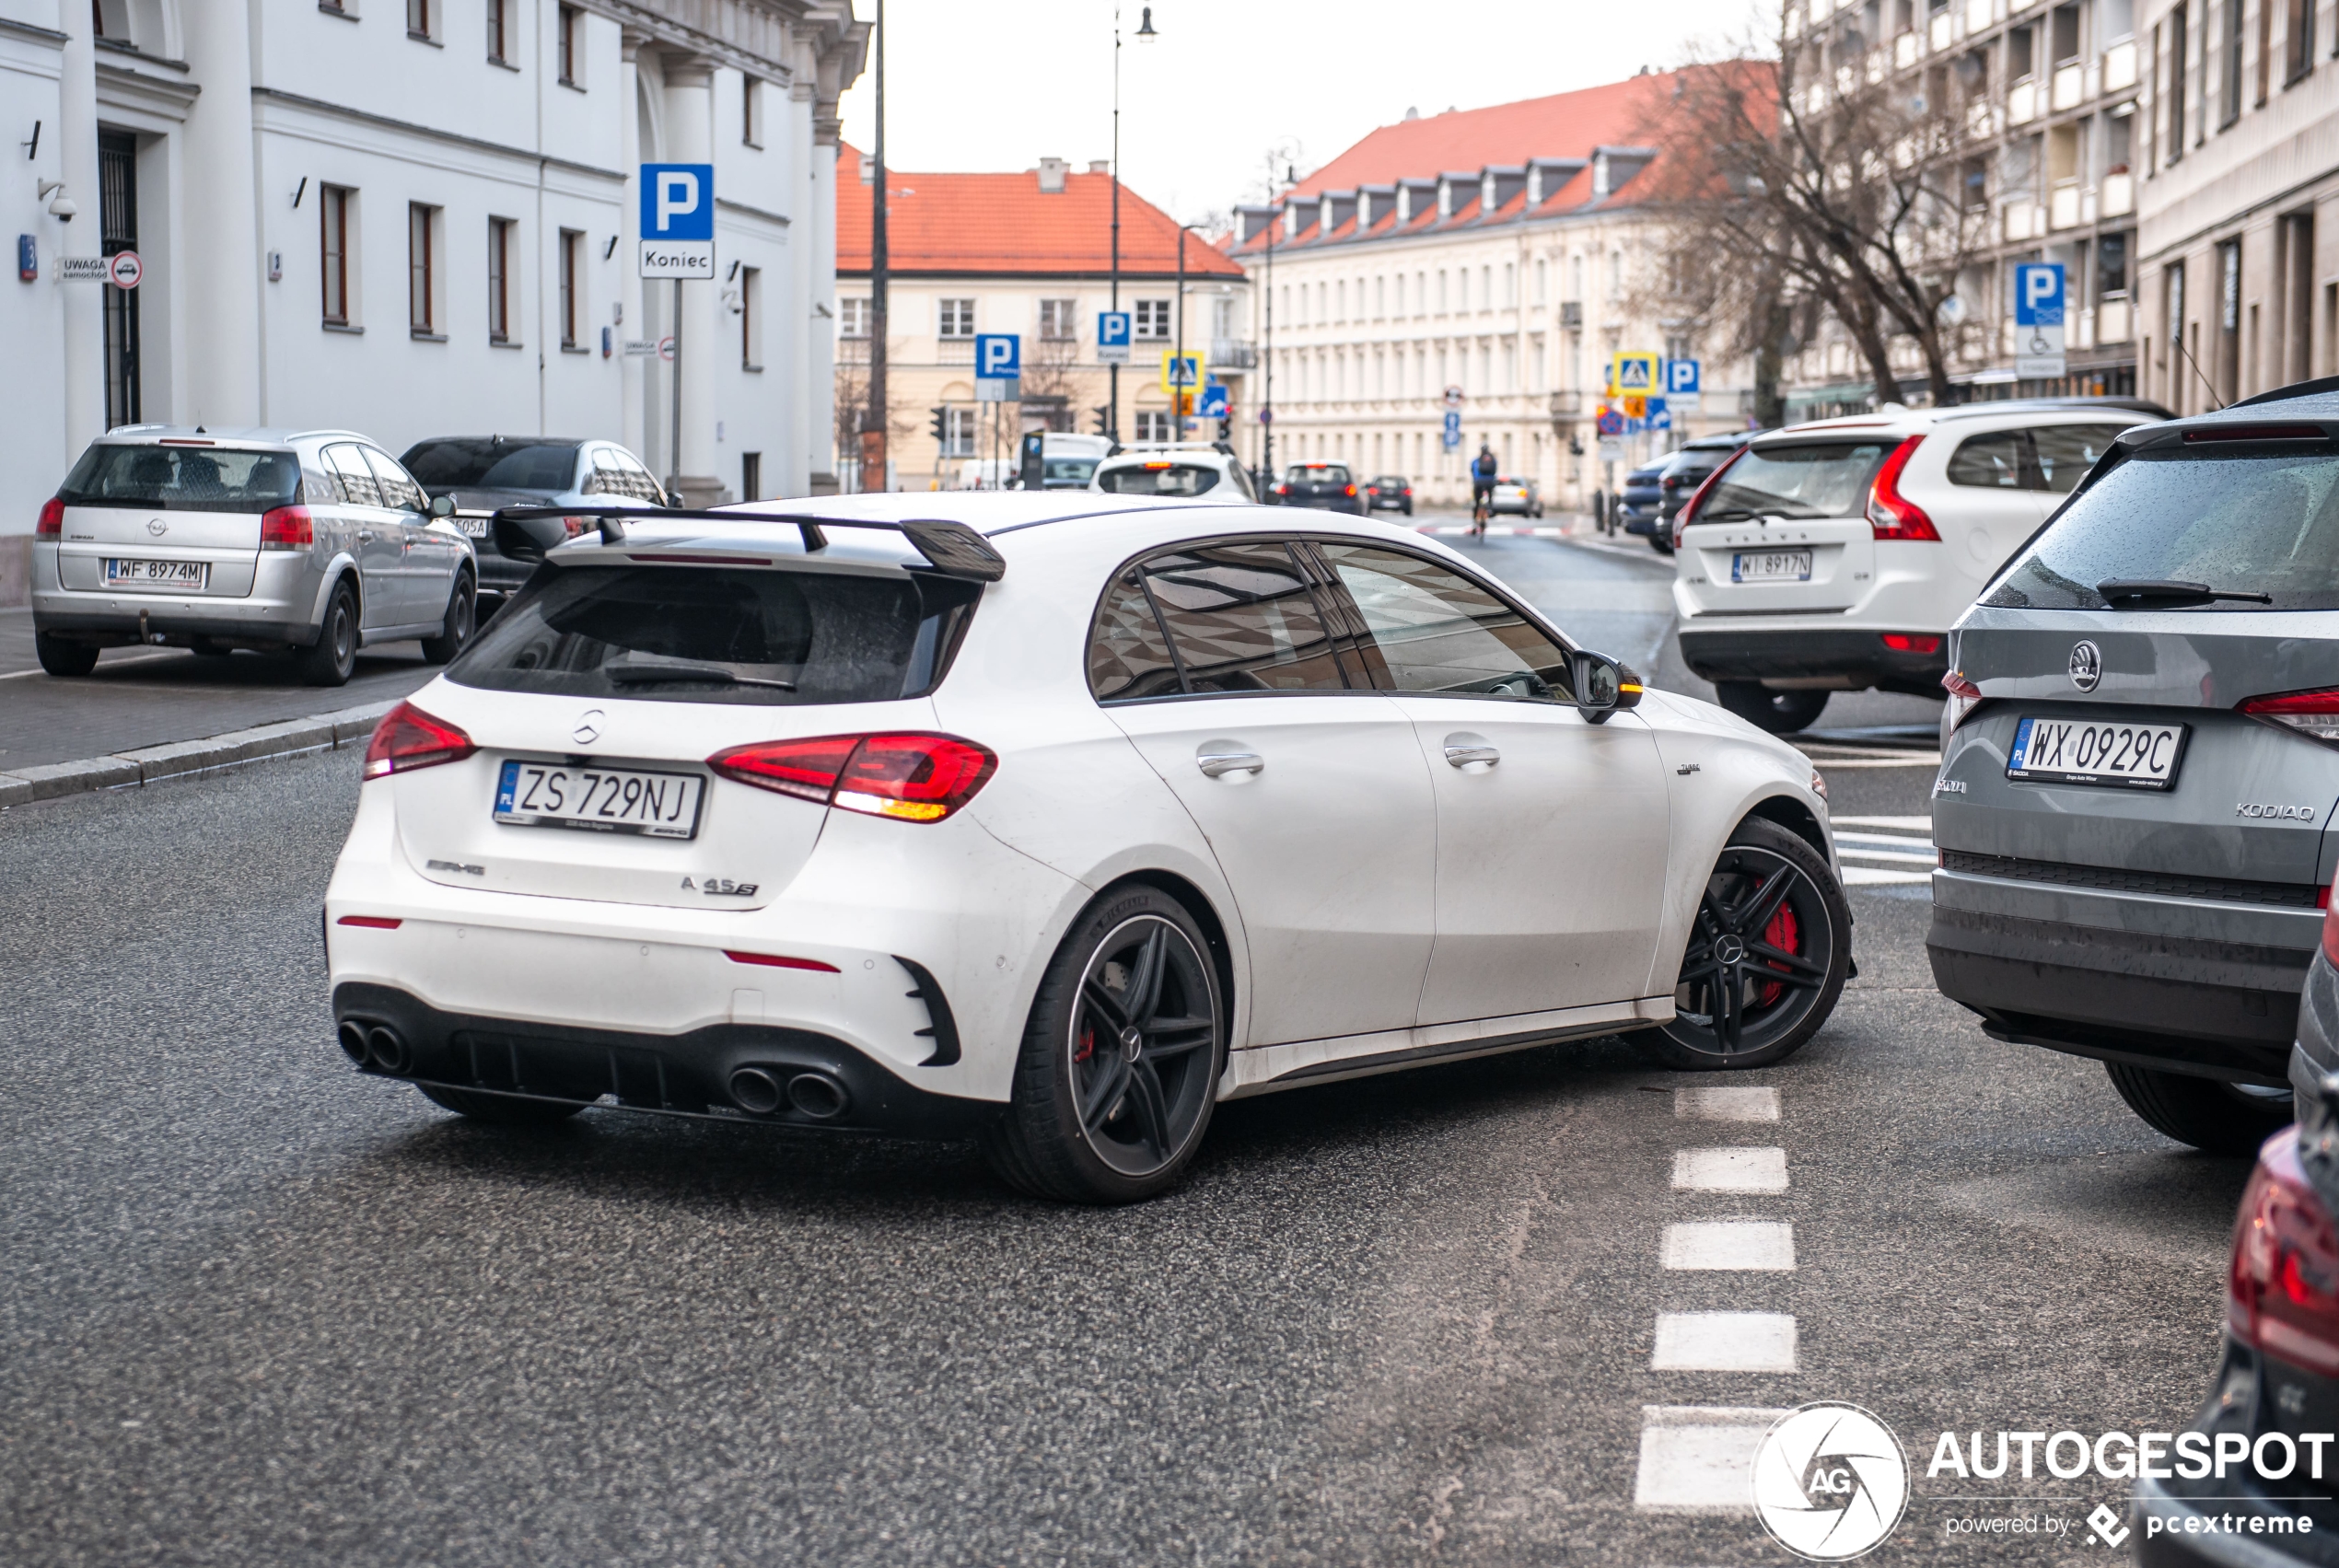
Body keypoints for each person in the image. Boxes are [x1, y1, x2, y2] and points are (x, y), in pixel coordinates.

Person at [1468, 442, 1498, 536]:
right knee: (1490, 494)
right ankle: (1489, 508)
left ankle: (1474, 523)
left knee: (1477, 502)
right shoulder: (1492, 460)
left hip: (1478, 483)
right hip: (1489, 483)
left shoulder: (1476, 461)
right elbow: (1494, 471)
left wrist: (1475, 480)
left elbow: (1472, 471)